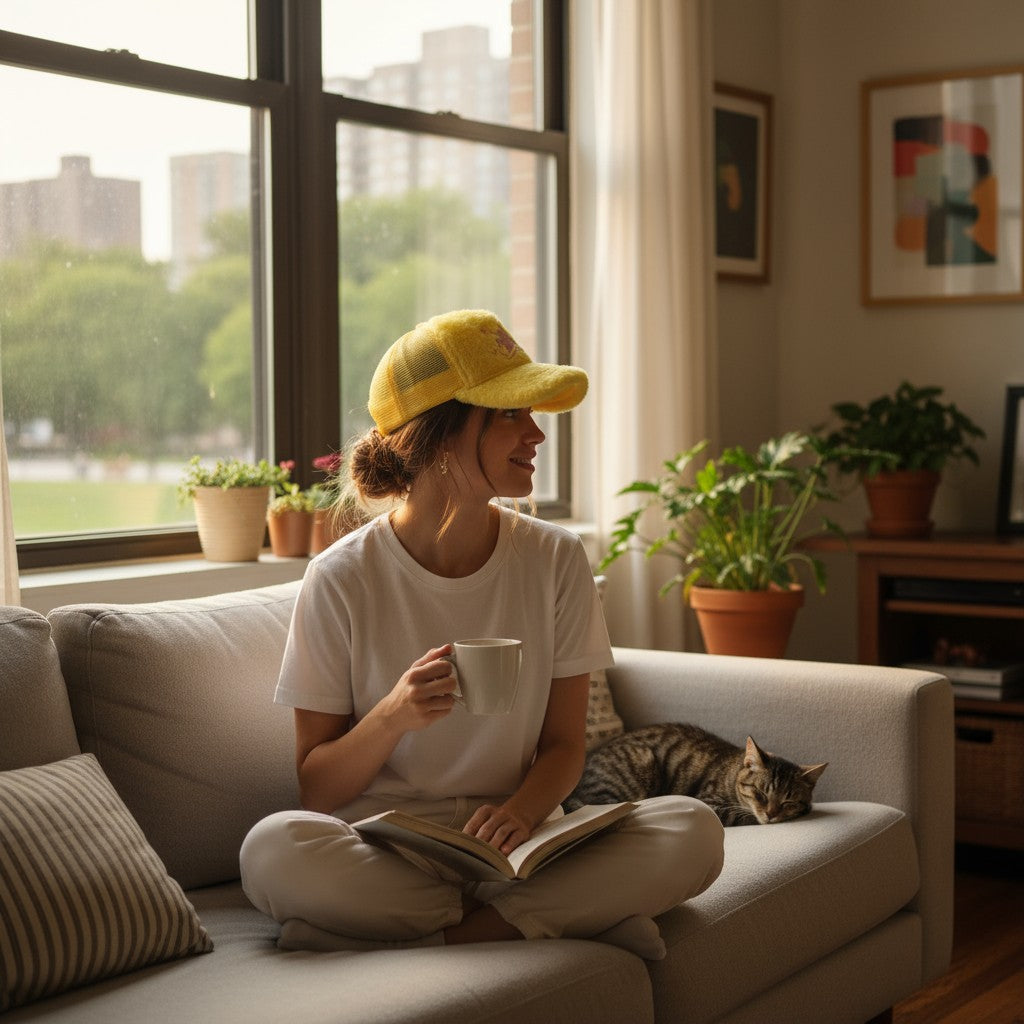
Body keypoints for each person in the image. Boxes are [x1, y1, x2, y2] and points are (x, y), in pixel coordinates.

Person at [240, 309, 724, 959]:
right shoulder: (340, 578)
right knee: (271, 850)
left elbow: (564, 747)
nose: (536, 433)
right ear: (439, 435)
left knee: (694, 827)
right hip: (390, 852)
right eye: (508, 414)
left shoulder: (556, 559)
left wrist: (520, 813)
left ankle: (422, 934)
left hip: (520, 848)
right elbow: (318, 788)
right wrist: (392, 714)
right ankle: (554, 921)